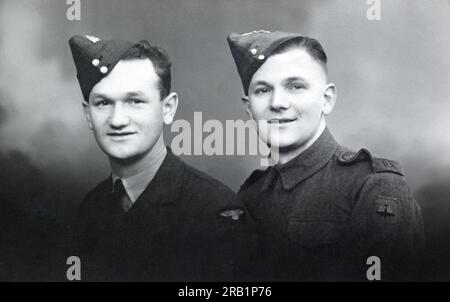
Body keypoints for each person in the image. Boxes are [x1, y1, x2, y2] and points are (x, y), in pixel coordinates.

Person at [227, 30, 425, 281]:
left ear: (327, 99)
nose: (277, 102)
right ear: (248, 108)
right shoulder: (250, 196)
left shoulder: (374, 186)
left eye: (296, 86)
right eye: (263, 90)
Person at [68, 35, 254, 281]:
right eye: (103, 103)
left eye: (135, 101)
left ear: (168, 109)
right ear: (88, 115)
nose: (117, 120)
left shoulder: (214, 212)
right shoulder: (92, 207)